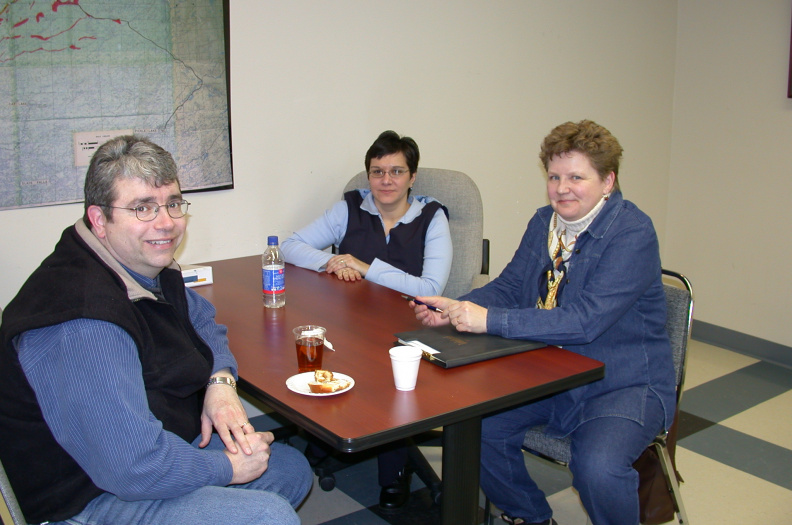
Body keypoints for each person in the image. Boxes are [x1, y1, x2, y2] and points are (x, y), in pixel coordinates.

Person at [0, 136, 312, 525]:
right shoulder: (83, 323)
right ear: (99, 219)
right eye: (142, 208)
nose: (166, 223)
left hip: (148, 441)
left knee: (289, 468)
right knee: (270, 517)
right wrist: (228, 469)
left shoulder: (142, 264)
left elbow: (202, 320)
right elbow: (133, 467)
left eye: (173, 204)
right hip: (89, 494)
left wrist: (220, 384)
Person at [409, 120, 676, 525]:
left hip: (623, 384)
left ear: (608, 181)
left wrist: (488, 320)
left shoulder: (632, 233)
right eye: (554, 176)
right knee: (475, 430)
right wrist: (454, 307)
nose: (561, 188)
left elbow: (584, 321)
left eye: (576, 177)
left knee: (598, 469)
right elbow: (510, 285)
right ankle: (529, 516)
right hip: (553, 374)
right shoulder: (543, 223)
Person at [282, 130, 452, 510]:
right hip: (351, 325)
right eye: (377, 172)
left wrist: (364, 267)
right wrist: (331, 261)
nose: (386, 181)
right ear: (368, 176)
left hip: (412, 331)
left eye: (396, 171)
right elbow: (290, 246)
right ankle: (327, 434)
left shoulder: (432, 218)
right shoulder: (349, 209)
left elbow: (428, 287)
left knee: (385, 375)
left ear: (413, 177)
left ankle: (392, 472)